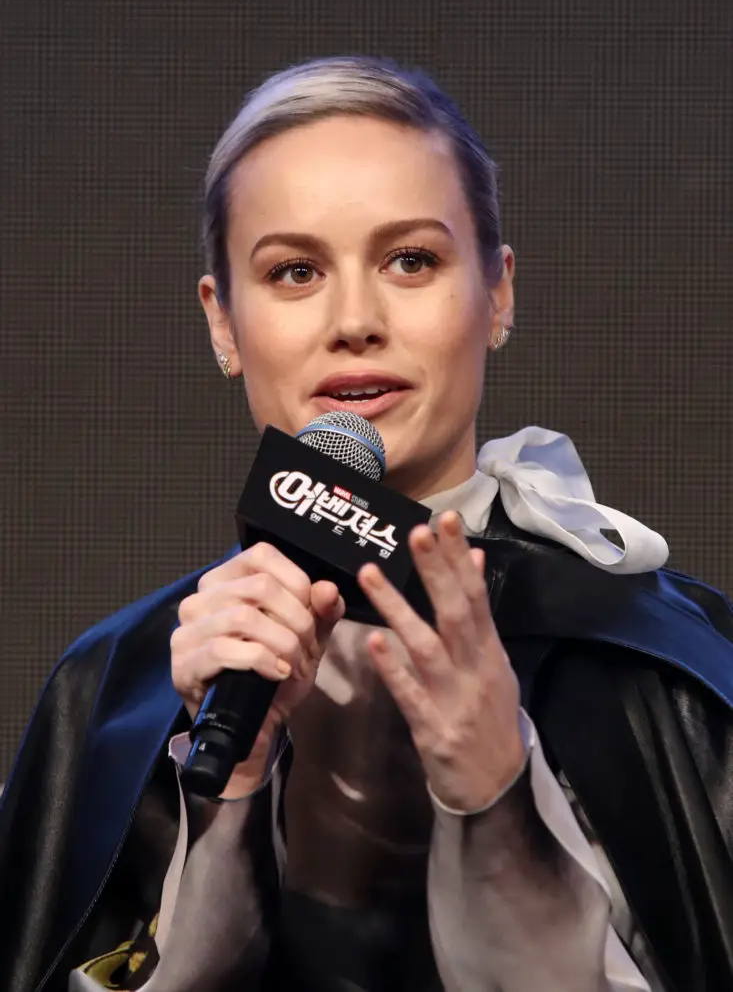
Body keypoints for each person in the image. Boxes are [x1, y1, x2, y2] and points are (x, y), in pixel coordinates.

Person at [1, 56, 732, 992]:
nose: (355, 320)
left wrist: (497, 798)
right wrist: (226, 802)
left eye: (410, 261)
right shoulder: (111, 692)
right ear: (223, 323)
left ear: (497, 293)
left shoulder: (670, 664)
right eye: (295, 271)